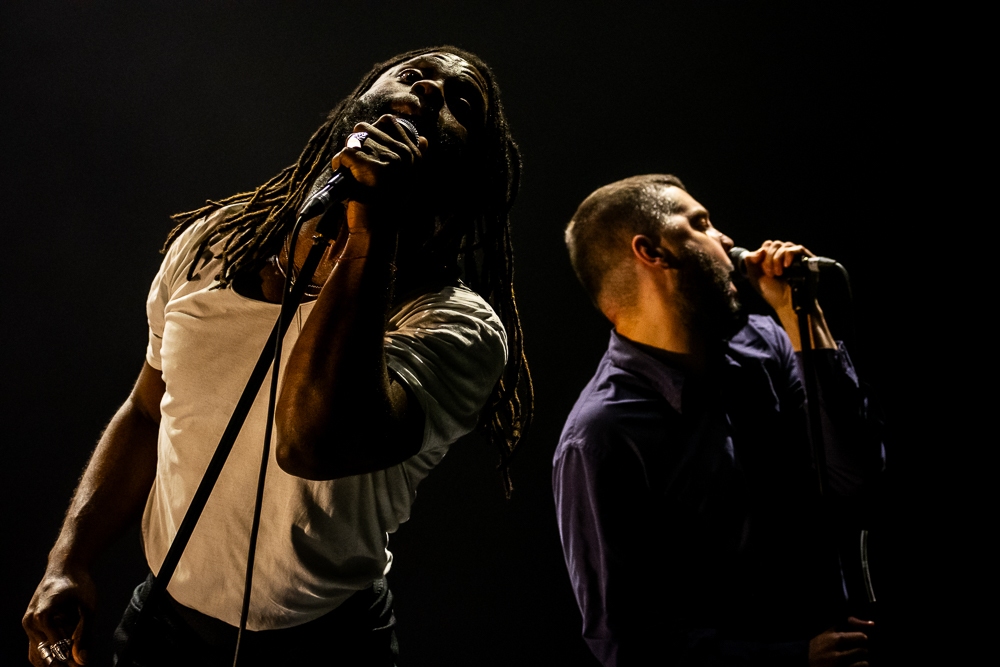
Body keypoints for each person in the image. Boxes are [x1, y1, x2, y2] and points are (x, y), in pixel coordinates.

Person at [23, 46, 532, 666]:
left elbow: (311, 440)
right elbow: (146, 412)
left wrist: (373, 230)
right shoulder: (214, 243)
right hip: (164, 628)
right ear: (358, 101)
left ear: (467, 176)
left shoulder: (457, 325)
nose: (429, 89)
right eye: (416, 71)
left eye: (462, 102)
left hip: (327, 647)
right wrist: (68, 560)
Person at [553, 174, 884, 666]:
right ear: (653, 251)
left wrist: (802, 315)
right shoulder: (602, 436)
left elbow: (858, 482)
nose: (726, 239)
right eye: (701, 223)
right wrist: (794, 658)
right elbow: (626, 643)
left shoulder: (766, 344)